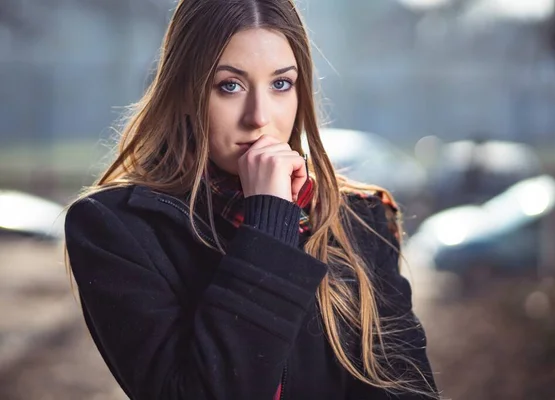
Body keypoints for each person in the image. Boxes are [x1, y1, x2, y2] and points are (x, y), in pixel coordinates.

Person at [64, 0, 439, 399]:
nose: (259, 117)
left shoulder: (361, 219)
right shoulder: (114, 227)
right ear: (184, 92)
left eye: (281, 84)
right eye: (230, 85)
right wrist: (270, 219)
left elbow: (407, 389)